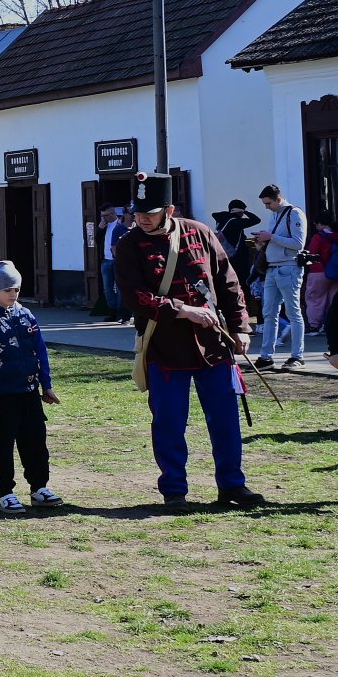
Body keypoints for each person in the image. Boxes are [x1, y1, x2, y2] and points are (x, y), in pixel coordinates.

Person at [112, 171, 265, 511]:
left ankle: (232, 485)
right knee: (168, 422)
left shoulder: (200, 233)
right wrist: (183, 311)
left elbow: (228, 282)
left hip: (214, 345)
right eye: (138, 212)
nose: (141, 219)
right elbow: (135, 296)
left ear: (168, 209)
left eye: (149, 213)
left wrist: (241, 328)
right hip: (165, 346)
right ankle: (174, 490)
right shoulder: (129, 244)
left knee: (226, 420)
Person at [0, 262, 63, 513]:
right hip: (2, 397)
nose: (13, 294)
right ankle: (5, 492)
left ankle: (39, 488)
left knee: (35, 442)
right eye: (8, 289)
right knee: (1, 445)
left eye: (17, 289)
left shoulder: (26, 315)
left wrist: (46, 384)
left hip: (29, 392)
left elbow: (40, 350)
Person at [250, 184, 308, 370]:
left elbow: (298, 244)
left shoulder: (295, 213)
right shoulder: (274, 214)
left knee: (293, 313)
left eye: (268, 203)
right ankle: (266, 356)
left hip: (289, 268)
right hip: (272, 269)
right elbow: (275, 239)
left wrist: (271, 237)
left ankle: (297, 356)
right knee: (269, 314)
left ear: (278, 199)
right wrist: (263, 242)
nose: (267, 207)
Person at [213, 199, 263, 305]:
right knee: (243, 283)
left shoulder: (221, 219)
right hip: (238, 258)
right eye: (242, 210)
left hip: (224, 256)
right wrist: (245, 212)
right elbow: (256, 220)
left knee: (227, 282)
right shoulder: (236, 221)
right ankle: (246, 306)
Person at [306, 218, 335, 334]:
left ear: (321, 224)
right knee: (333, 299)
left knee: (314, 298)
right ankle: (330, 325)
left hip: (318, 270)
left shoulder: (318, 237)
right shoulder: (336, 236)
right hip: (334, 271)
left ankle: (314, 325)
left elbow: (312, 252)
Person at [98, 208, 126, 321]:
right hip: (106, 260)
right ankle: (112, 311)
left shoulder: (120, 225)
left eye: (106, 215)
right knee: (107, 288)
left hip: (118, 260)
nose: (104, 218)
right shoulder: (104, 226)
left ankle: (121, 312)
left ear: (113, 213)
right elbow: (95, 240)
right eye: (102, 216)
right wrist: (100, 228)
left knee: (120, 287)